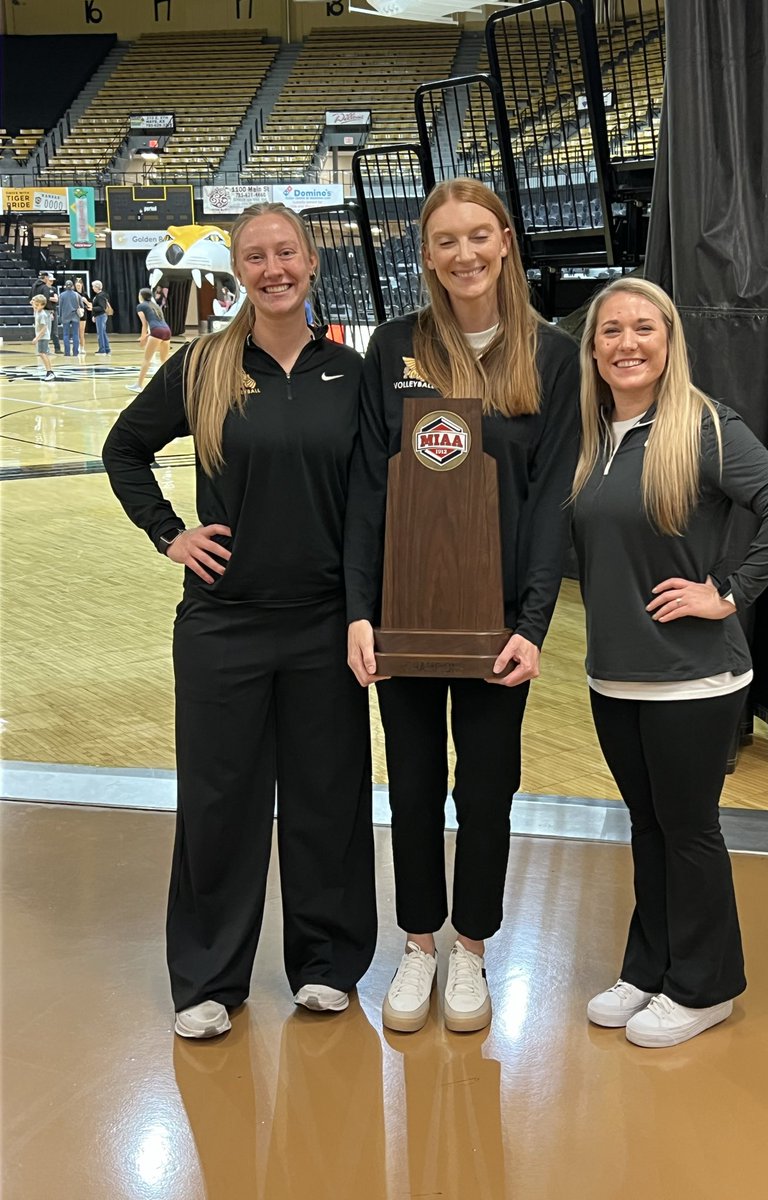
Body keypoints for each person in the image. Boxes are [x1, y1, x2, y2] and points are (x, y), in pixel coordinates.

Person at [102, 201, 377, 1040]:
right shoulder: (205, 365)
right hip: (223, 624)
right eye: (255, 256)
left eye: (285, 252)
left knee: (328, 799)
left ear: (310, 260)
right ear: (238, 271)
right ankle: (210, 979)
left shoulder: (352, 372)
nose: (273, 269)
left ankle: (326, 963)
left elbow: (377, 496)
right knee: (219, 801)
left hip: (326, 623)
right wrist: (169, 533)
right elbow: (124, 448)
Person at [344, 178, 580, 1034]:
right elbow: (370, 482)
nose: (465, 254)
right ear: (428, 254)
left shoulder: (551, 354)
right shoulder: (394, 345)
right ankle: (415, 944)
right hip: (405, 619)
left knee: (488, 790)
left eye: (479, 235)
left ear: (506, 241)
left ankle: (471, 950)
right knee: (410, 787)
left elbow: (554, 498)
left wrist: (533, 624)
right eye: (446, 240)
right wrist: (359, 609)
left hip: (496, 629)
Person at [571, 277, 768, 1048]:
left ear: (670, 342)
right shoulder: (589, 435)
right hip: (614, 674)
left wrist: (729, 593)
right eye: (611, 330)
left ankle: (705, 986)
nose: (627, 343)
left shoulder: (704, 426)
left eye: (645, 327)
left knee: (688, 830)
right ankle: (650, 967)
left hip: (694, 677)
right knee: (648, 828)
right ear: (593, 347)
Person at [127, 286, 172, 392]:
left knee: (147, 360)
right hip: (167, 331)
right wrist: (147, 336)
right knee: (164, 360)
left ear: (141, 296)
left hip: (157, 331)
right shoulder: (155, 306)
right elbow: (159, 323)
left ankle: (139, 385)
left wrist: (143, 337)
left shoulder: (141, 306)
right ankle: (169, 383)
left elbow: (144, 324)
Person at [30, 271, 61, 353]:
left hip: (36, 311)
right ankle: (45, 350)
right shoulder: (45, 287)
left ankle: (39, 349)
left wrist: (35, 309)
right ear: (46, 278)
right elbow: (46, 300)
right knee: (46, 330)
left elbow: (30, 299)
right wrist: (50, 312)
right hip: (45, 311)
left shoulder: (34, 286)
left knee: (38, 330)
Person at [30, 294, 55, 381]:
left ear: (42, 305)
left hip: (43, 337)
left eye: (37, 305)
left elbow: (44, 329)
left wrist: (37, 338)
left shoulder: (42, 315)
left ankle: (50, 372)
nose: (35, 306)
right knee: (41, 353)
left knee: (42, 353)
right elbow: (33, 303)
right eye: (34, 305)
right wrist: (33, 302)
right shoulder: (37, 311)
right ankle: (49, 371)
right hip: (41, 336)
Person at [57, 280, 84, 356]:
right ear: (73, 286)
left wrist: (60, 316)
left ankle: (67, 352)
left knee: (66, 335)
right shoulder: (77, 294)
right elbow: (82, 305)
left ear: (65, 286)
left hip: (65, 316)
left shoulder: (62, 295)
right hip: (75, 315)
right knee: (75, 334)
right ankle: (76, 352)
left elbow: (60, 307)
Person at [90, 280, 112, 354]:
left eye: (93, 286)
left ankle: (102, 349)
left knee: (100, 333)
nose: (92, 288)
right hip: (101, 315)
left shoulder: (100, 296)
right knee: (103, 332)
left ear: (97, 287)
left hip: (101, 316)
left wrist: (92, 308)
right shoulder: (103, 295)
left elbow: (101, 307)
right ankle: (107, 348)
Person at [73, 277, 88, 356]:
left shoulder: (84, 294)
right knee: (76, 332)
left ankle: (82, 347)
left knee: (81, 332)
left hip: (82, 315)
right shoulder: (73, 293)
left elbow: (90, 306)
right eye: (77, 285)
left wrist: (86, 301)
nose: (78, 287)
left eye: (79, 285)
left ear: (82, 285)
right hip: (75, 314)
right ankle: (76, 347)